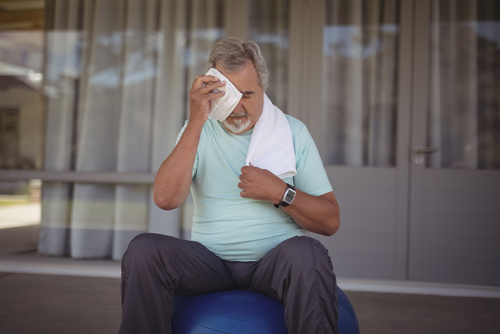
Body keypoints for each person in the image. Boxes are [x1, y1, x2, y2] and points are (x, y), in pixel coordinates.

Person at [119, 37, 341, 334]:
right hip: (210, 263)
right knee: (143, 250)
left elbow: (330, 222)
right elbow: (165, 199)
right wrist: (197, 119)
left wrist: (280, 192)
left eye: (247, 95)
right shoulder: (196, 129)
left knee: (308, 252)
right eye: (227, 95)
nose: (236, 107)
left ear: (263, 89)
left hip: (274, 264)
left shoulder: (293, 132)